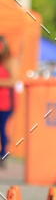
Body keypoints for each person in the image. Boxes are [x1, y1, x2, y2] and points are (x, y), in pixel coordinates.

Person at [0, 37, 16, 166]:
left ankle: (3, 154)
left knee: (2, 129)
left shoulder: (10, 61)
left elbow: (13, 80)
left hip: (5, 103)